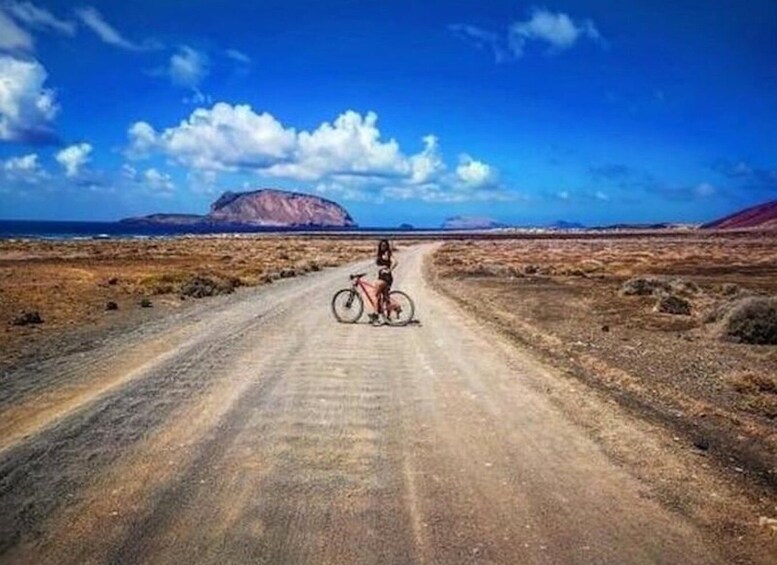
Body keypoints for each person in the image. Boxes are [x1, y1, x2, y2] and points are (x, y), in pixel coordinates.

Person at [369, 238, 397, 324]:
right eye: (381, 245)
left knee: (375, 295)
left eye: (385, 245)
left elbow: (395, 262)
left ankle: (375, 315)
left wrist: (389, 270)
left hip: (386, 277)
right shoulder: (380, 254)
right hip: (382, 277)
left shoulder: (387, 254)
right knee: (386, 297)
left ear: (387, 246)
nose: (383, 246)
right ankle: (388, 318)